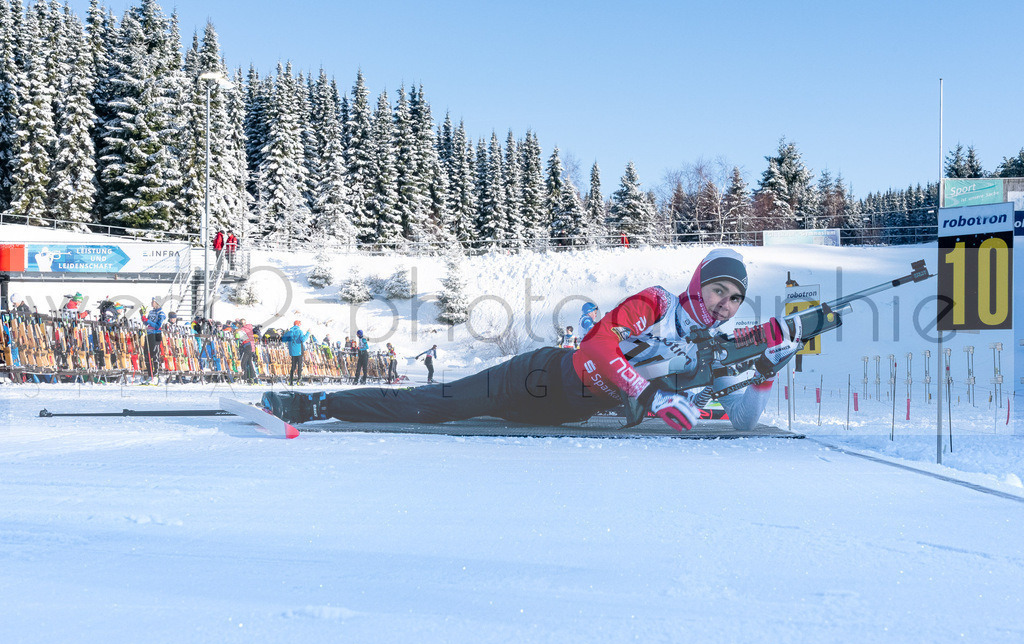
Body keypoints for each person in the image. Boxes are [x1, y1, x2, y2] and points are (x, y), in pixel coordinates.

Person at [261, 249, 801, 433]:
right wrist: (653, 396)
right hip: (538, 377)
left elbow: (745, 421)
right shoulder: (659, 304)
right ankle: (312, 404)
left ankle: (319, 403)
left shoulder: (720, 346)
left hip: (561, 415)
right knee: (431, 405)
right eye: (717, 290)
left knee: (445, 413)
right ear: (697, 282)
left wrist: (769, 368)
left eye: (735, 298)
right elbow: (596, 348)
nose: (724, 304)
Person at [142, 297, 166, 382]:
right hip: (149, 334)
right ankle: (149, 374)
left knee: (154, 354)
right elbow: (146, 323)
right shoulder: (151, 312)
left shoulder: (161, 313)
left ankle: (155, 374)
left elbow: (157, 326)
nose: (152, 303)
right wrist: (143, 317)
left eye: (153, 302)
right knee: (146, 354)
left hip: (156, 334)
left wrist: (147, 321)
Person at [281, 320, 310, 386]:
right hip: (299, 351)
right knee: (299, 366)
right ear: (299, 325)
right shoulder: (299, 331)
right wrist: (308, 333)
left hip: (292, 352)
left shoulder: (290, 332)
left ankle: (290, 381)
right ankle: (299, 380)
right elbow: (303, 339)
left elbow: (284, 340)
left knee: (293, 366)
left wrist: (285, 333)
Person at [237, 318, 258, 383]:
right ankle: (252, 378)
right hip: (251, 347)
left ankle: (245, 377)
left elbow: (242, 338)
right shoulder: (250, 328)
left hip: (247, 346)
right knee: (249, 362)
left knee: (244, 362)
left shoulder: (243, 330)